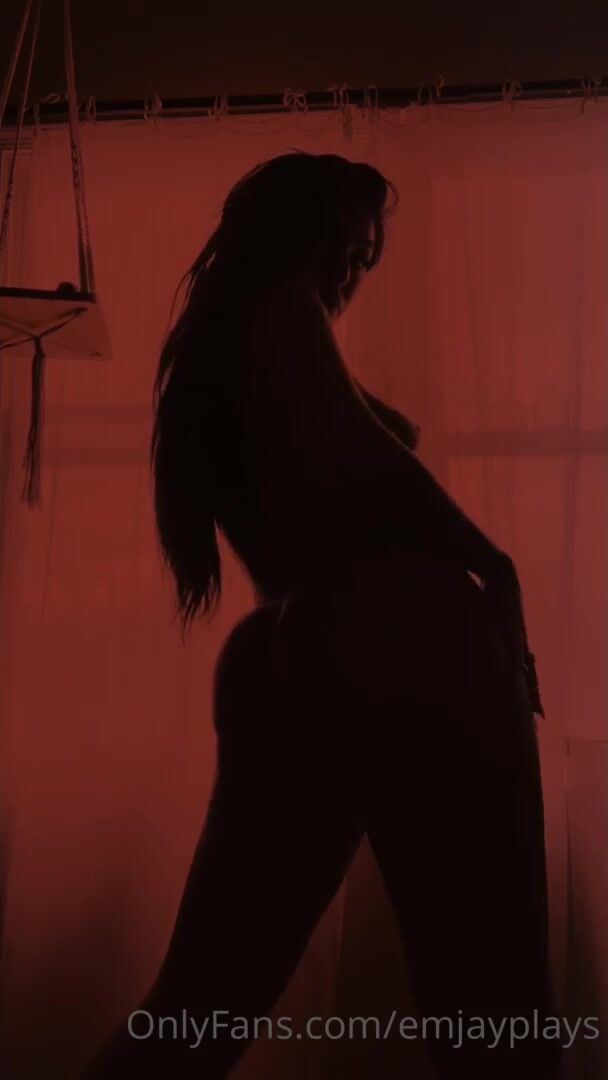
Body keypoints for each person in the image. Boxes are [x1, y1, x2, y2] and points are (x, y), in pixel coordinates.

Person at [80, 151, 560, 1079]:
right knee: (494, 996)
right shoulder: (283, 314)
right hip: (402, 639)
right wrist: (493, 566)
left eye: (367, 260)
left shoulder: (220, 343)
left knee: (204, 997)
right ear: (299, 230)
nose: (354, 272)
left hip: (287, 648)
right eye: (348, 248)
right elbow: (368, 466)